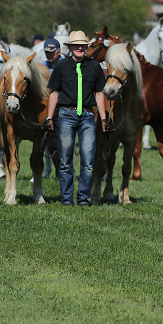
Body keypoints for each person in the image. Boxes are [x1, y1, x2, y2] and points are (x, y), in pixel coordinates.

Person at [46, 31, 108, 206]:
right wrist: (50, 117)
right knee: (65, 160)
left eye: (83, 45)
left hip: (88, 116)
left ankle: (83, 199)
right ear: (70, 47)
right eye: (76, 45)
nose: (80, 48)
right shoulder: (61, 66)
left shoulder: (94, 67)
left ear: (86, 47)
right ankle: (66, 199)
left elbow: (99, 93)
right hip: (66, 115)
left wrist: (103, 118)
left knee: (88, 161)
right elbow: (54, 93)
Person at [40, 37, 63, 179]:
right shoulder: (42, 67)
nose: (49, 55)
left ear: (58, 52)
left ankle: (65, 170)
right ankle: (58, 171)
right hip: (47, 109)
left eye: (52, 52)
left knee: (64, 143)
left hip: (63, 106)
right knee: (51, 142)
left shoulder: (65, 65)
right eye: (47, 52)